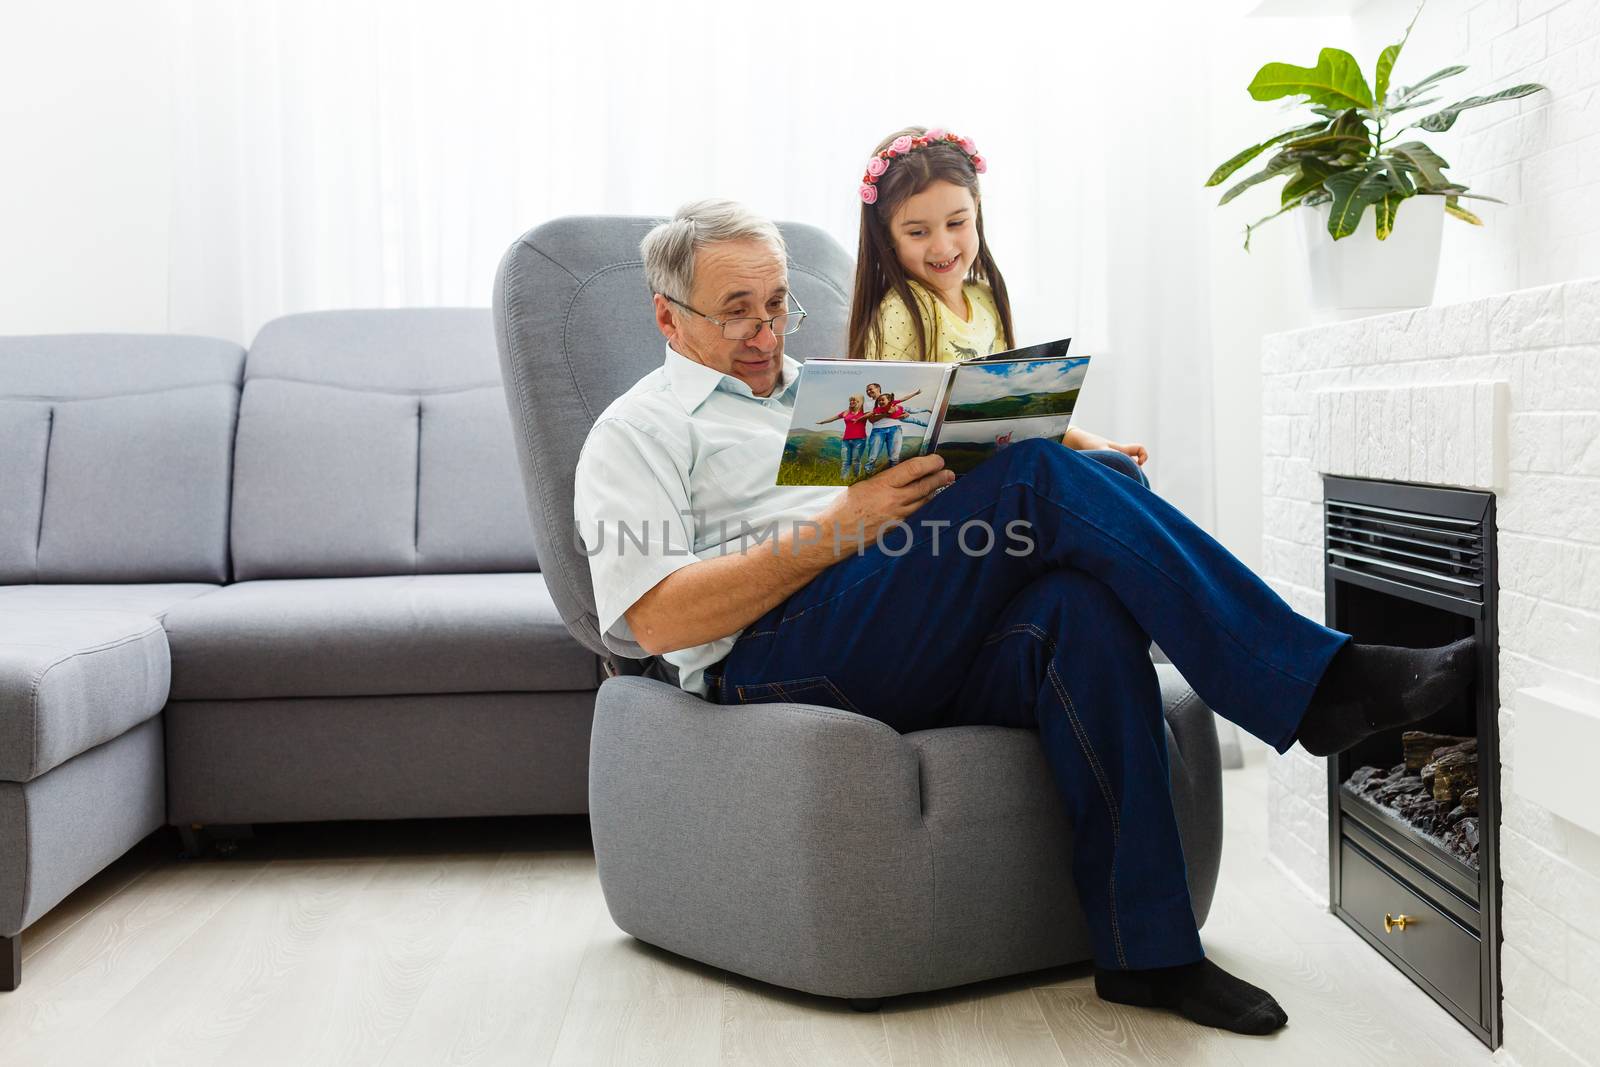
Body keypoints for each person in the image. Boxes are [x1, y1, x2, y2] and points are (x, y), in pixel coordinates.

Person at [571, 199, 1476, 1036]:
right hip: (773, 658)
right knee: (1042, 484)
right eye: (736, 311)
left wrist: (1078, 447)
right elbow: (654, 620)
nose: (765, 333)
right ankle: (1313, 685)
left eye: (777, 305)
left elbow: (969, 432)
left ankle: (1149, 954)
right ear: (667, 316)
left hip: (901, 634)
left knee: (1076, 607)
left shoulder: (831, 396)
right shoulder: (639, 430)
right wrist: (836, 530)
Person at [849, 126, 1148, 486]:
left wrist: (1082, 440)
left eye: (956, 223)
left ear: (976, 210)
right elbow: (891, 429)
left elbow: (1016, 417)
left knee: (1120, 469)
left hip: (1005, 475)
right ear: (888, 236)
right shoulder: (900, 312)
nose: (942, 246)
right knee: (1105, 473)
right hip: (942, 496)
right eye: (918, 232)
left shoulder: (986, 299)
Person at [816, 395, 870, 480]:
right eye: (850, 401)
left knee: (856, 461)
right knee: (846, 462)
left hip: (860, 439)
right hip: (846, 440)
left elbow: (874, 412)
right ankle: (843, 480)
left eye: (854, 400)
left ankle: (856, 478)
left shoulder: (864, 412)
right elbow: (834, 418)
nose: (851, 402)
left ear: (859, 402)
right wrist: (823, 422)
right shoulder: (846, 412)